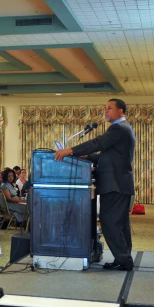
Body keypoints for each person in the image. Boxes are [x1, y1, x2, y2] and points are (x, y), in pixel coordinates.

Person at [56, 99, 136, 271]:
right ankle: (123, 257)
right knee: (120, 224)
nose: (105, 111)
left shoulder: (118, 128)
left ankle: (124, 259)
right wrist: (88, 157)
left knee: (110, 222)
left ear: (121, 111)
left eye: (109, 108)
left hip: (115, 184)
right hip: (120, 183)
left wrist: (71, 151)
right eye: (105, 108)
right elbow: (108, 157)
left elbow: (97, 143)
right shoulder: (124, 128)